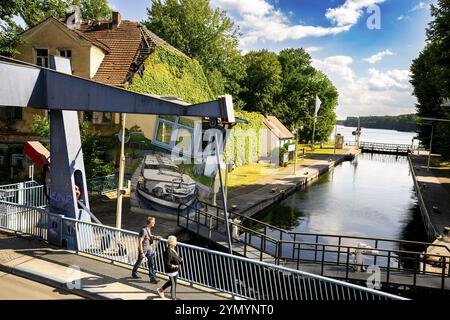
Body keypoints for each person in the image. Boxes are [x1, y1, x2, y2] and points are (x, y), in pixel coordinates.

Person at [132, 216, 160, 284]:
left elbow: (149, 236)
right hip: (144, 250)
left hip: (148, 249)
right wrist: (141, 252)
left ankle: (152, 278)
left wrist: (155, 237)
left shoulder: (148, 229)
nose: (154, 223)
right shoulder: (143, 230)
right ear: (150, 223)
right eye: (153, 222)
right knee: (139, 261)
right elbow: (140, 241)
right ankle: (134, 272)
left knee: (151, 263)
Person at [157, 235, 182, 300]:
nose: (176, 243)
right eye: (175, 241)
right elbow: (167, 263)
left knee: (172, 283)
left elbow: (176, 257)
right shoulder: (168, 251)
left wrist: (180, 259)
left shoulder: (173, 249)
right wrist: (174, 266)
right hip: (171, 271)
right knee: (173, 285)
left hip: (175, 270)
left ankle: (160, 290)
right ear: (172, 243)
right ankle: (174, 298)